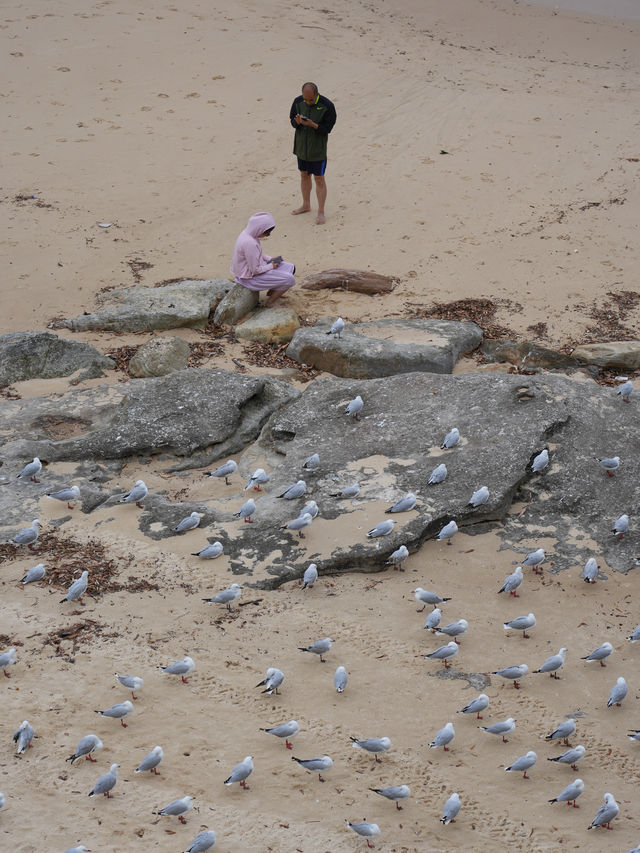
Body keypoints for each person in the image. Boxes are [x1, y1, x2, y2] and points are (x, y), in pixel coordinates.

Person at [289, 82, 337, 225]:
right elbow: (292, 122)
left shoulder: (327, 105)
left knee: (319, 179)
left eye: (311, 99)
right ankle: (306, 204)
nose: (308, 102)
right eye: (306, 99)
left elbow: (327, 128)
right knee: (304, 175)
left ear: (316, 94)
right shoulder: (298, 102)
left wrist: (312, 124)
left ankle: (321, 212)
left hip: (317, 150)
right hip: (302, 148)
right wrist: (297, 122)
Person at [230, 212, 296, 307]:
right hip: (249, 278)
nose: (267, 235)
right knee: (289, 279)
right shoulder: (250, 243)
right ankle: (270, 302)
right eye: (266, 232)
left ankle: (272, 292)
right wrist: (271, 266)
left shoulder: (248, 234)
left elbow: (256, 254)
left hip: (258, 267)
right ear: (259, 229)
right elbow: (255, 270)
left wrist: (270, 259)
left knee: (290, 267)